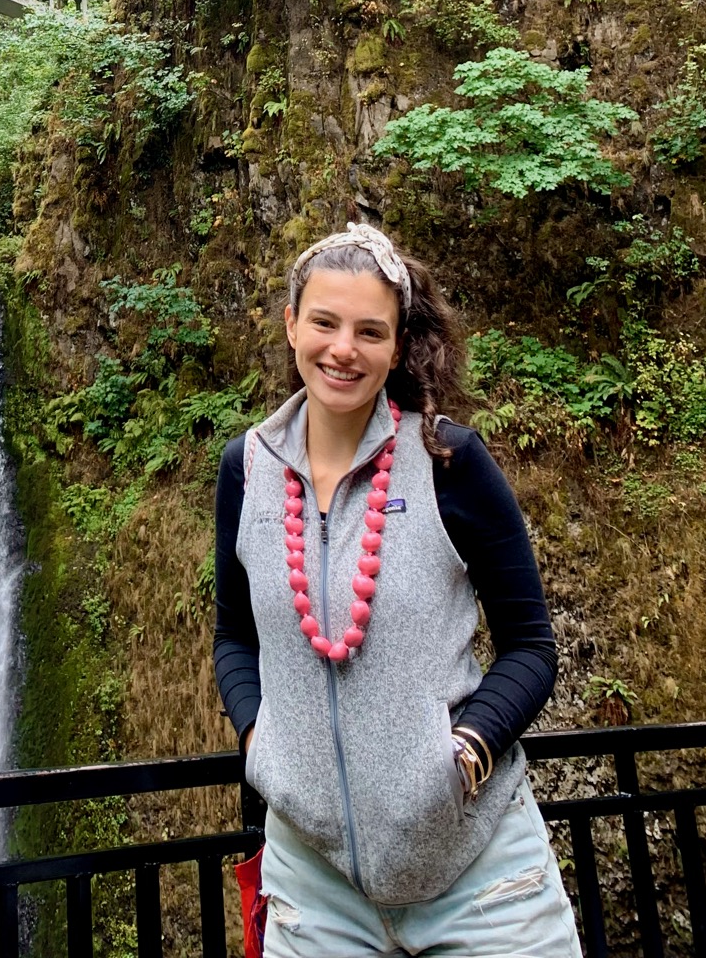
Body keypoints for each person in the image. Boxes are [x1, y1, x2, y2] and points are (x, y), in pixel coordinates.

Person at [213, 223, 581, 958]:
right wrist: (260, 746)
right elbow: (233, 637)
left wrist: (467, 752)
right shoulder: (245, 470)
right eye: (324, 321)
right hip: (313, 890)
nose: (343, 348)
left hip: (479, 879)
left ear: (397, 345)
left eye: (369, 330)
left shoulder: (447, 460)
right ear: (292, 325)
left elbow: (531, 647)